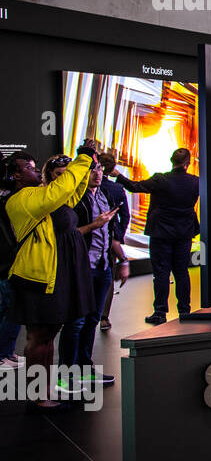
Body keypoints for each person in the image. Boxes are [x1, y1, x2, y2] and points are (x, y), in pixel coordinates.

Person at [5, 147, 105, 408]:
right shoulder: (21, 199)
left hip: (53, 274)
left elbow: (72, 192)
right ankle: (38, 396)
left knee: (48, 335)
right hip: (35, 277)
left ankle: (45, 390)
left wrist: (88, 165)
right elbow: (60, 191)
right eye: (28, 167)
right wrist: (83, 159)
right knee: (38, 337)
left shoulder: (39, 195)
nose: (36, 170)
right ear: (15, 176)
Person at [114, 147, 199, 324]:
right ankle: (185, 311)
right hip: (184, 233)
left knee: (161, 273)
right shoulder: (195, 182)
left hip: (161, 233)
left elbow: (134, 186)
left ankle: (160, 312)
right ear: (188, 163)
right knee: (182, 273)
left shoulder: (160, 180)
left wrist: (117, 175)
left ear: (171, 161)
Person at [68, 161, 125, 386]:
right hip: (82, 268)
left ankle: (85, 368)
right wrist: (94, 224)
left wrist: (122, 259)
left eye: (100, 169)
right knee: (76, 322)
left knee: (92, 319)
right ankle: (68, 373)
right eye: (92, 170)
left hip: (102, 266)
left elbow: (109, 232)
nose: (97, 174)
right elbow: (68, 234)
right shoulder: (75, 199)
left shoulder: (104, 195)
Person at [0, 151, 37, 369]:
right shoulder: (7, 198)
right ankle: (3, 353)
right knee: (7, 308)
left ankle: (7, 351)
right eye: (29, 168)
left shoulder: (15, 196)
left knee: (12, 310)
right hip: (6, 263)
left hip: (15, 261)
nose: (34, 171)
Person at [94, 150, 130, 333]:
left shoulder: (89, 187)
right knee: (107, 277)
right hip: (110, 239)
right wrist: (118, 236)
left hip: (93, 238)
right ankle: (104, 317)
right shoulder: (117, 189)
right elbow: (125, 216)